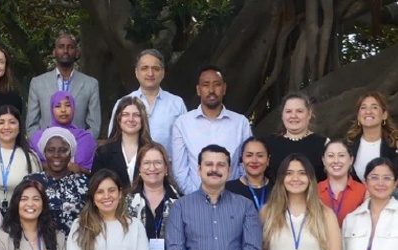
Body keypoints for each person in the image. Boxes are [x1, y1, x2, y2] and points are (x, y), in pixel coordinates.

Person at [171, 66, 252, 195]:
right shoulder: (183, 123)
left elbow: (246, 164)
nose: (211, 90)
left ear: (224, 88)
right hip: (194, 200)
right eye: (205, 85)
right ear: (198, 90)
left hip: (233, 200)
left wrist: (236, 195)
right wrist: (195, 197)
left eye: (217, 85)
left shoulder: (241, 123)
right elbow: (179, 170)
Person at [107, 49, 186, 156]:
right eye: (144, 68)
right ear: (136, 72)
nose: (150, 73)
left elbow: (185, 142)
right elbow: (113, 140)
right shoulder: (123, 103)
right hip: (129, 168)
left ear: (163, 73)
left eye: (156, 69)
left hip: (167, 168)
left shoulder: (177, 103)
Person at [27, 33, 100, 140]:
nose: (65, 51)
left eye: (70, 47)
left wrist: (82, 147)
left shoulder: (90, 84)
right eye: (61, 47)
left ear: (77, 53)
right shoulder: (38, 83)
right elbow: (32, 125)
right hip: (46, 150)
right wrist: (43, 147)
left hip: (78, 150)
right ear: (54, 52)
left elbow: (94, 126)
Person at [264, 92, 328, 183]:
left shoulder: (324, 144)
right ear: (282, 115)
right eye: (288, 111)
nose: (293, 116)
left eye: (299, 111)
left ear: (309, 114)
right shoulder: (268, 144)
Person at [29, 91, 97, 173]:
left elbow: (93, 172)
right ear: (51, 109)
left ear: (73, 108)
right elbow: (33, 167)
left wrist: (77, 169)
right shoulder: (39, 138)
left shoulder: (85, 138)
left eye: (68, 105)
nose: (63, 110)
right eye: (58, 106)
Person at [93, 97, 153, 187]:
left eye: (136, 115)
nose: (131, 119)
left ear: (143, 119)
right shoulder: (103, 153)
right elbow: (96, 187)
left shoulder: (153, 151)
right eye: (125, 114)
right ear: (118, 119)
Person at [346, 92, 398, 181]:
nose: (368, 111)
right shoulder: (347, 145)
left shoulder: (394, 145)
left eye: (374, 107)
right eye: (363, 108)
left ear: (384, 115)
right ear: (358, 116)